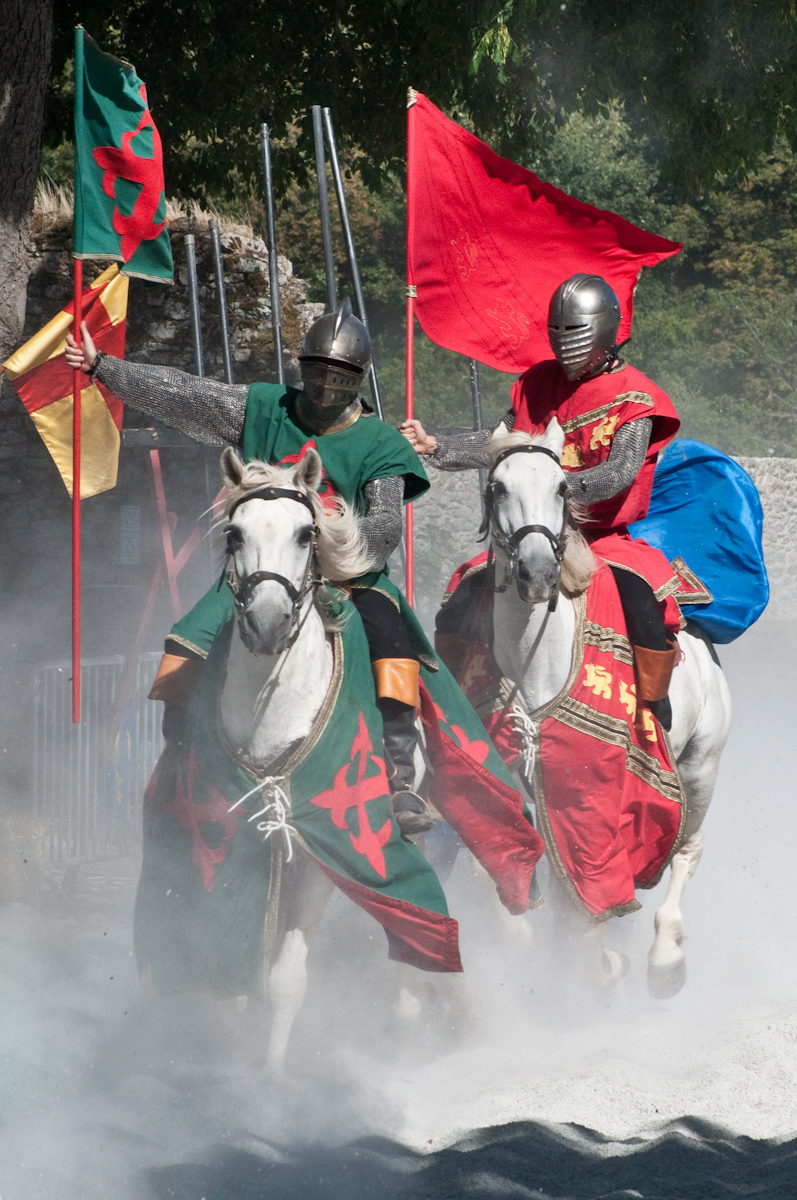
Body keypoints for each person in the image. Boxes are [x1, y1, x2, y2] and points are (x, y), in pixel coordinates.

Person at [66, 298, 434, 834]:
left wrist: (337, 545)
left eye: (340, 379)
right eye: (317, 375)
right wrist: (105, 369)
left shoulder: (380, 443)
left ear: (359, 379)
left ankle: (400, 774)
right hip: (263, 571)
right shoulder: (267, 409)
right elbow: (186, 395)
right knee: (186, 638)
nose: (326, 389)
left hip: (350, 578)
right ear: (303, 370)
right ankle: (180, 762)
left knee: (389, 638)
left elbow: (383, 530)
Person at [400, 273, 681, 729]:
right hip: (531, 532)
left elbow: (618, 474)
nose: (565, 342)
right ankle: (447, 708)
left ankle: (654, 708)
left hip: (601, 538)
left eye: (575, 331)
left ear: (605, 329)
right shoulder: (535, 383)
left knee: (640, 598)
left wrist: (555, 492)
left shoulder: (635, 397)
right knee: (461, 594)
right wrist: (436, 445)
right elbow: (496, 443)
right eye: (559, 331)